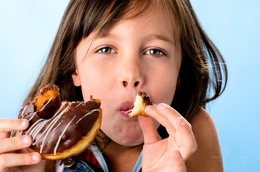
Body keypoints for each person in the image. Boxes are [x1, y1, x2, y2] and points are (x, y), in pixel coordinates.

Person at [0, 0, 227, 171]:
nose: (131, 75)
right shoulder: (38, 147)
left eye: (155, 51)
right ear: (73, 68)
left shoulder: (191, 135)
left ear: (180, 71)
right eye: (106, 49)